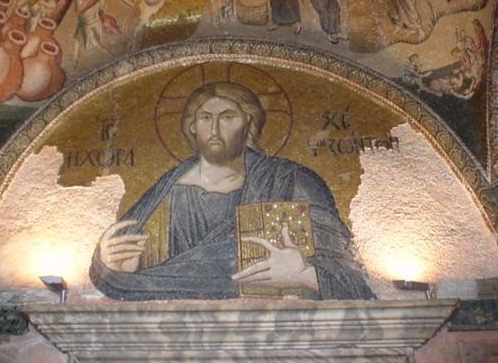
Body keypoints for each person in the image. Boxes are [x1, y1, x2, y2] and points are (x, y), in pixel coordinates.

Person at [90, 82, 374, 300]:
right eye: (205, 118)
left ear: (249, 123)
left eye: (227, 117)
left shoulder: (292, 182)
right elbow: (116, 277)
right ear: (192, 126)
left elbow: (355, 282)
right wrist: (110, 266)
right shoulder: (164, 195)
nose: (214, 128)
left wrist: (305, 275)